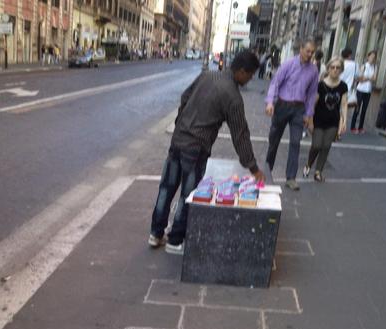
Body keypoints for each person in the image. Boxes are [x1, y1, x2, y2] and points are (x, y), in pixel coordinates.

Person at [148, 50, 265, 254]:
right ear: (242, 71)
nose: (251, 78)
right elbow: (240, 136)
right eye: (251, 74)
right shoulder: (233, 97)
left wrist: (180, 124)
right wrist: (253, 167)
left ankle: (155, 233)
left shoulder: (207, 75)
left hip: (178, 141)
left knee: (166, 188)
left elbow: (185, 97)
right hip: (196, 148)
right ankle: (175, 240)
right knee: (189, 194)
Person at [265, 38, 319, 191]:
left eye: (312, 52)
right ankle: (267, 172)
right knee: (274, 141)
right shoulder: (288, 64)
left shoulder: (314, 70)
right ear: (301, 49)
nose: (309, 55)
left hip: (299, 109)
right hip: (282, 105)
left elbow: (312, 93)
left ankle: (291, 178)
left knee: (296, 142)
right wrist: (270, 102)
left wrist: (309, 114)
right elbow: (275, 82)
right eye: (307, 51)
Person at [302, 56, 347, 182]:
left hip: (333, 121)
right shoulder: (320, 85)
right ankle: (308, 165)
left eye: (338, 68)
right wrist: (309, 120)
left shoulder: (343, 86)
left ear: (341, 70)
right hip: (318, 120)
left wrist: (344, 122)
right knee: (316, 145)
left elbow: (343, 104)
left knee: (326, 145)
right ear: (328, 68)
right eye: (332, 67)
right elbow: (313, 104)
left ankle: (318, 172)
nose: (335, 70)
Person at [351, 50, 377, 133]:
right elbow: (360, 79)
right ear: (368, 57)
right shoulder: (363, 66)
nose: (372, 58)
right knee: (357, 108)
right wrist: (369, 78)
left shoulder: (375, 67)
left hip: (368, 91)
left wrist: (366, 78)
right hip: (360, 90)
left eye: (374, 57)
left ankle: (360, 127)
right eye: (371, 56)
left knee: (364, 110)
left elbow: (374, 79)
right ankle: (352, 127)